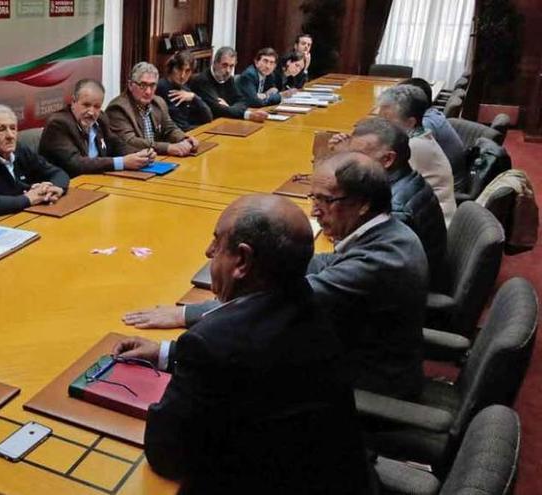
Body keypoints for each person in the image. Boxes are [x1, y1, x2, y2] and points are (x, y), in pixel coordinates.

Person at [113, 194, 371, 493]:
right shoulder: (317, 304)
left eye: (217, 241)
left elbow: (167, 455)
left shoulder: (214, 343)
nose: (208, 251)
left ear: (243, 260)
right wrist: (166, 353)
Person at [124, 153, 428, 399]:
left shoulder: (382, 260)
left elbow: (277, 306)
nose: (315, 210)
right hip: (353, 352)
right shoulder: (383, 233)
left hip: (367, 382)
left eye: (325, 200)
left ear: (363, 204)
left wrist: (187, 318)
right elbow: (320, 264)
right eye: (313, 197)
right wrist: (271, 259)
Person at [329, 117, 448, 290]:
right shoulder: (406, 177)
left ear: (387, 160)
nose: (349, 163)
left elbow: (360, 267)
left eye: (358, 156)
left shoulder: (394, 208)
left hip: (404, 300)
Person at [0, 104, 70, 217]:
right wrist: (27, 199)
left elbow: (57, 172)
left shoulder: (20, 150)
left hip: (29, 214)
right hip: (2, 222)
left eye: (13, 128)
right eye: (1, 129)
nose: (10, 135)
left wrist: (54, 188)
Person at [38, 79, 154, 177]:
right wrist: (122, 162)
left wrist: (140, 155)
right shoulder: (58, 124)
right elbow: (75, 164)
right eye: (86, 105)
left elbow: (115, 144)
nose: (91, 112)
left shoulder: (101, 118)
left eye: (97, 106)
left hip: (96, 181)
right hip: (66, 186)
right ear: (73, 101)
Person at [377, 85, 457, 226]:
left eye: (387, 122)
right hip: (414, 214)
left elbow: (377, 183)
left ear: (410, 123)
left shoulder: (413, 146)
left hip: (429, 225)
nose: (380, 127)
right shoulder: (418, 135)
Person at [105, 62, 200, 156]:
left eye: (152, 85)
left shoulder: (158, 102)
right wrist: (167, 148)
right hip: (130, 162)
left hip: (153, 159)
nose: (148, 91)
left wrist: (184, 139)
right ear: (130, 85)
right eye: (143, 85)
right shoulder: (118, 108)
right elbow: (130, 142)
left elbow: (169, 129)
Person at [400, 77, 468, 193]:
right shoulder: (432, 113)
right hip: (447, 180)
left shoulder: (425, 124)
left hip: (447, 188)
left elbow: (403, 158)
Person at [189, 46, 268, 121]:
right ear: (215, 63)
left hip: (224, 121)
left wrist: (229, 107)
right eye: (224, 65)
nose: (228, 70)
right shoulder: (202, 81)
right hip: (203, 126)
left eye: (231, 66)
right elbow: (218, 109)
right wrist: (245, 114)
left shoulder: (228, 79)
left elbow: (242, 102)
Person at [155, 51, 213, 131]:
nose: (182, 76)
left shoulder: (185, 90)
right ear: (172, 68)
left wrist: (194, 97)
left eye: (187, 71)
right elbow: (180, 128)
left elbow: (208, 118)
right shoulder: (161, 87)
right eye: (179, 69)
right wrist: (204, 129)